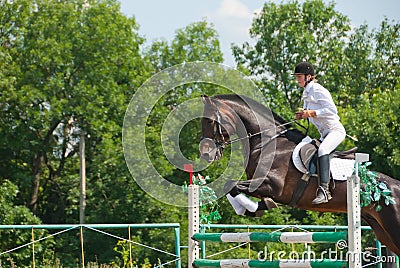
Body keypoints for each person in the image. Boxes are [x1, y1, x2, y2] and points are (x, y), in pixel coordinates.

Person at [293, 61, 346, 205]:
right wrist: (302, 115)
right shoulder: (307, 92)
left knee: (323, 150)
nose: (297, 80)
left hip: (335, 130)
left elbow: (332, 110)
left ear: (308, 76)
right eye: (296, 77)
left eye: (299, 77)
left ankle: (324, 191)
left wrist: (310, 112)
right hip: (324, 134)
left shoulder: (317, 89)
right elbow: (309, 113)